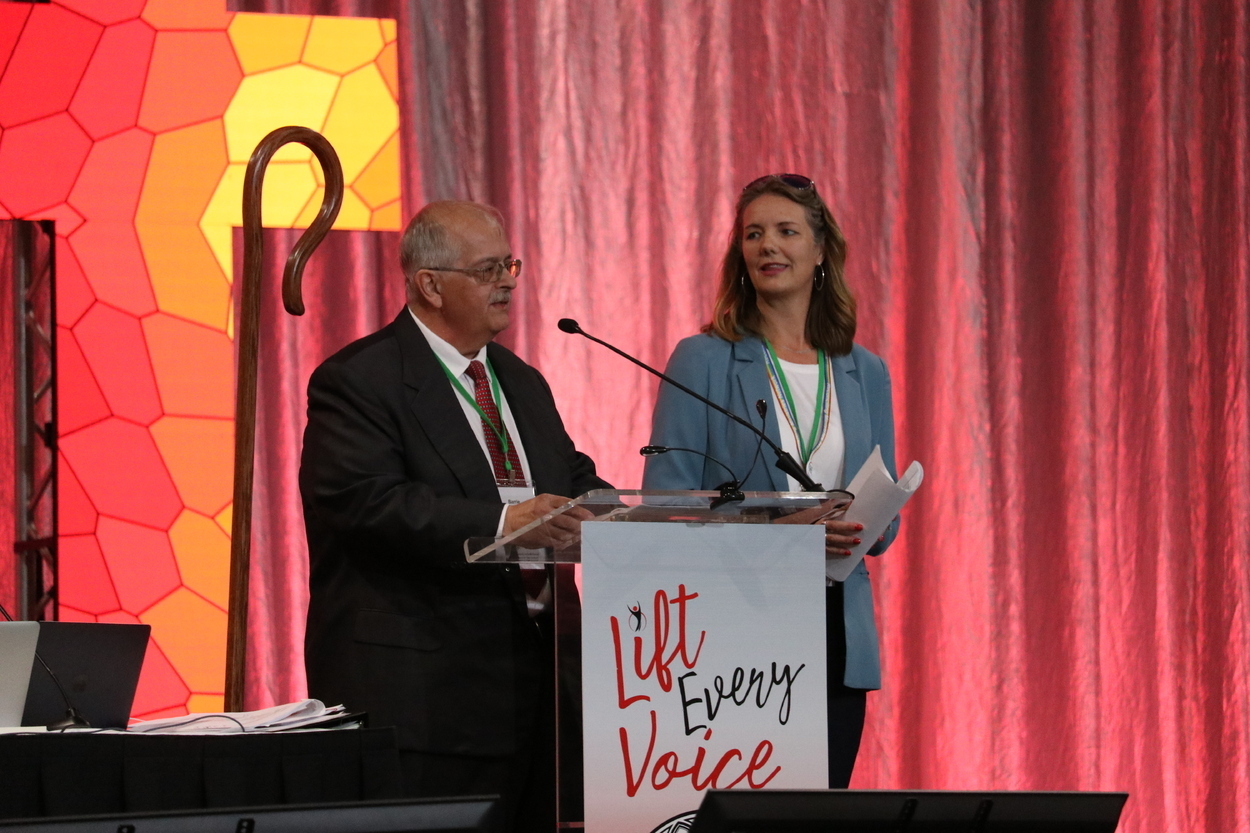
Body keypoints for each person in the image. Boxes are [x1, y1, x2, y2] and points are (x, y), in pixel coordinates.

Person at [300, 200, 608, 832]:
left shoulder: (521, 382)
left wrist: (636, 520)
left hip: (540, 693)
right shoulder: (359, 380)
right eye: (489, 268)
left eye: (511, 264)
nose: (509, 280)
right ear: (430, 285)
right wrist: (507, 523)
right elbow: (367, 503)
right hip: (423, 696)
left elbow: (573, 479)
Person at [641, 174, 899, 788]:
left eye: (787, 231)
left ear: (820, 254)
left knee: (821, 818)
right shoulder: (702, 358)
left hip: (837, 629)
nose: (767, 246)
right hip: (734, 629)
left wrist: (866, 520)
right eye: (753, 234)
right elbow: (663, 506)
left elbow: (881, 526)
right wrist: (780, 530)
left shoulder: (865, 371)